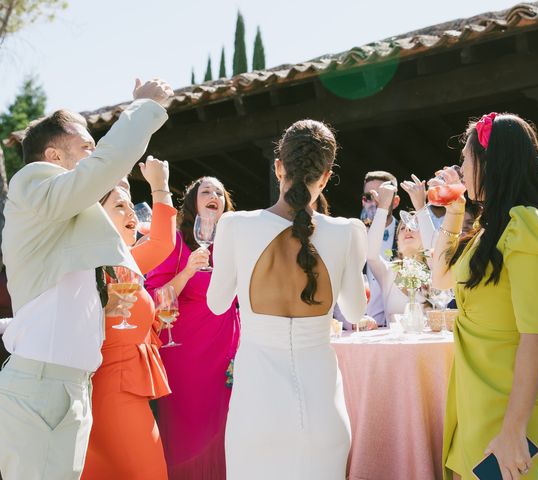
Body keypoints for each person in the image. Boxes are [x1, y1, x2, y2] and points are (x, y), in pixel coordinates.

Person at [0, 78, 171, 480]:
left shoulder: (64, 219)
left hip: (71, 388)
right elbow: (101, 170)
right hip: (41, 388)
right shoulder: (31, 183)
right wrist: (143, 108)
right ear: (52, 155)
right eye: (86, 147)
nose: (95, 155)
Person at [207, 119, 367, 479]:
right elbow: (356, 310)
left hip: (257, 409)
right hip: (323, 410)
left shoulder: (235, 226)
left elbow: (217, 303)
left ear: (278, 167)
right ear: (325, 176)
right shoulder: (347, 232)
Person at [431, 112, 538, 480]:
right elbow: (440, 279)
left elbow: (535, 335)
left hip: (508, 399)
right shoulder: (489, 227)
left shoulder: (532, 226)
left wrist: (514, 432)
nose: (461, 170)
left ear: (490, 161)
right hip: (477, 389)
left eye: (466, 159)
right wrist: (454, 212)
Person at [81, 157, 176, 479]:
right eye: (119, 206)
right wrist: (159, 185)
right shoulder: (102, 265)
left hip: (119, 387)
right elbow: (163, 242)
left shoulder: (122, 264)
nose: (131, 212)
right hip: (115, 391)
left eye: (130, 205)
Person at [145, 176, 240, 479]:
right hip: (187, 358)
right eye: (206, 191)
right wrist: (187, 271)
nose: (214, 195)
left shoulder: (234, 247)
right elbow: (153, 300)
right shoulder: (175, 245)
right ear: (192, 204)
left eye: (219, 192)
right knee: (191, 436)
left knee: (228, 429)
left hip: (228, 357)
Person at [366, 177, 435, 325]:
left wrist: (421, 208)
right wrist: (383, 207)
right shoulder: (388, 272)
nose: (408, 229)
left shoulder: (435, 270)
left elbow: (434, 249)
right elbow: (371, 255)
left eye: (414, 226)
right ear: (397, 241)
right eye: (402, 228)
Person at [361, 171, 400, 325]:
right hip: (356, 327)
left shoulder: (408, 235)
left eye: (382, 195)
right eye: (369, 197)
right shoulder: (353, 233)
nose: (375, 200)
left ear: (395, 202)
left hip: (392, 327)